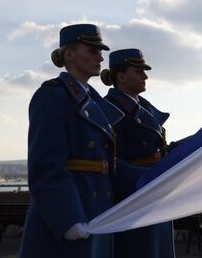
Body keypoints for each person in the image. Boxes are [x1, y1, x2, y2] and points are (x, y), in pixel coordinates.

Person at [19, 24, 124, 258]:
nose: (100, 57)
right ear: (70, 54)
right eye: (93, 50)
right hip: (74, 209)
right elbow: (45, 165)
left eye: (101, 51)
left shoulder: (93, 101)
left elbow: (109, 164)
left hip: (97, 209)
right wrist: (68, 218)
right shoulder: (52, 95)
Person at [100, 48, 175, 258]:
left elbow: (162, 152)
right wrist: (149, 178)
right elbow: (110, 162)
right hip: (133, 200)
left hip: (152, 193)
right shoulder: (110, 110)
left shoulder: (143, 109)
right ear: (121, 76)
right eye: (138, 71)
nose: (145, 76)